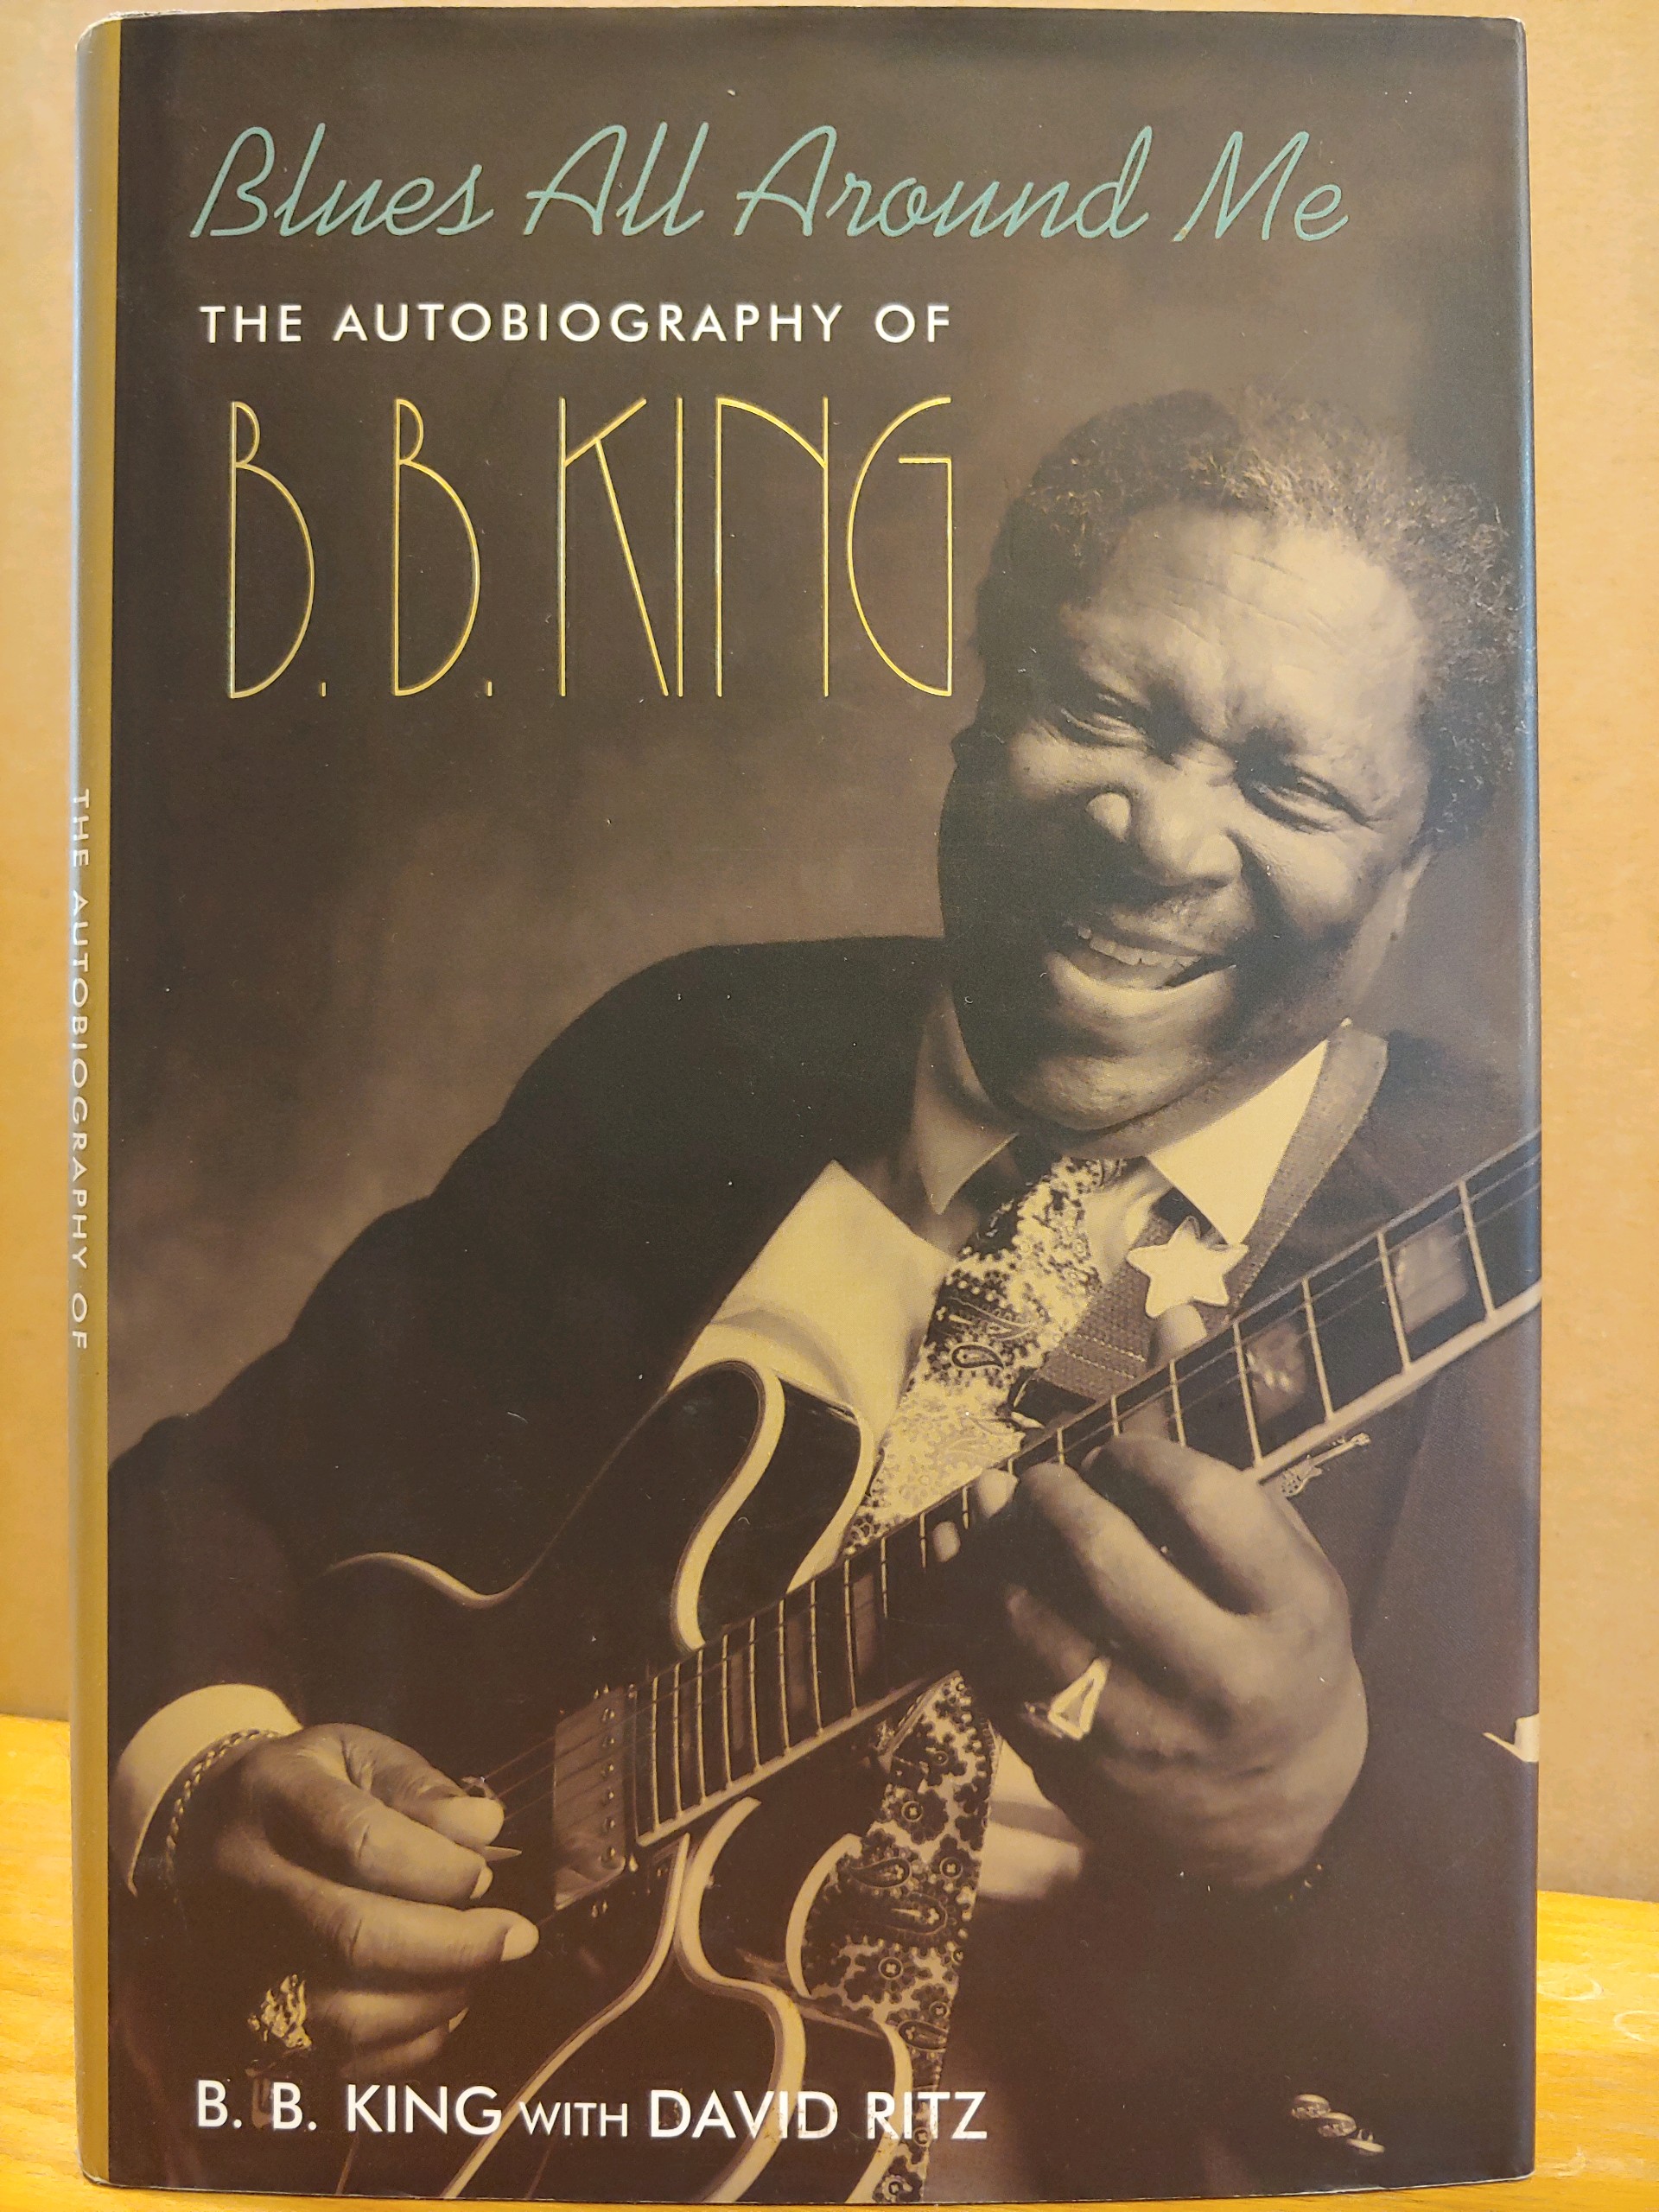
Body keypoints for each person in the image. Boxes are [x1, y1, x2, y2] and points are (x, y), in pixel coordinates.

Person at [107, 391, 1536, 2199]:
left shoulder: (1527, 1282)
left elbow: (1565, 2045)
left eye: (1293, 787)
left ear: (1407, 876)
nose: (1158, 836)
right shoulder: (688, 1057)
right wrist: (204, 1794)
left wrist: (1310, 1833)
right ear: (982, 711)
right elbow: (210, 1499)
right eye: (1104, 712)